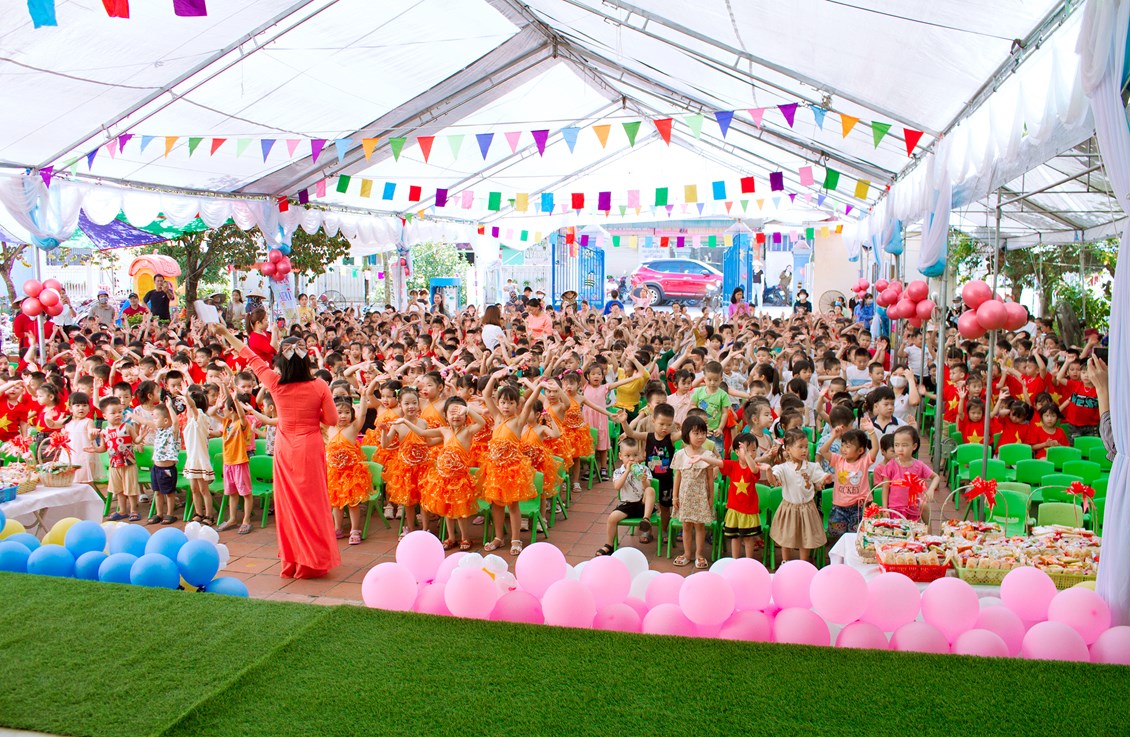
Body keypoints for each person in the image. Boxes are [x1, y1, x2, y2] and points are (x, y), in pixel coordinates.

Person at [210, 322, 341, 579]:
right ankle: (315, 559)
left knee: (290, 506)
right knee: (313, 504)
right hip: (310, 447)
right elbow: (333, 420)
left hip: (285, 448)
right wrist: (313, 416)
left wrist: (225, 334)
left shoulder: (274, 382)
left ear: (280, 359)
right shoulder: (319, 385)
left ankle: (294, 560)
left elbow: (251, 356)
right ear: (306, 359)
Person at [761, 428, 829, 563]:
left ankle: (803, 563)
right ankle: (785, 562)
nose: (804, 450)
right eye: (800, 447)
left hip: (807, 508)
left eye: (806, 447)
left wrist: (825, 480)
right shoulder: (783, 468)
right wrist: (768, 471)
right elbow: (773, 482)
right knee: (786, 538)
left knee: (806, 537)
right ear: (788, 449)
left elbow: (820, 479)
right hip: (789, 508)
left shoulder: (812, 467)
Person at [671, 415, 721, 569]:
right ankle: (687, 554)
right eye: (696, 433)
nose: (700, 437)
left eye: (703, 433)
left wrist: (711, 496)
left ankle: (699, 554)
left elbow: (710, 478)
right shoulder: (680, 454)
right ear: (687, 434)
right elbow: (677, 476)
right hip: (685, 496)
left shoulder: (707, 455)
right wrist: (674, 496)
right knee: (686, 525)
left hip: (701, 496)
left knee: (700, 526)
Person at [596, 435, 654, 556]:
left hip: (642, 505)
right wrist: (627, 472)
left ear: (640, 455)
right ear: (620, 456)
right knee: (612, 518)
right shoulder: (618, 472)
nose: (632, 459)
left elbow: (647, 487)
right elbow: (617, 486)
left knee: (650, 490)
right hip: (627, 505)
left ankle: (646, 520)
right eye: (628, 456)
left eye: (635, 455)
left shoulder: (644, 469)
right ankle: (609, 545)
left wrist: (644, 480)